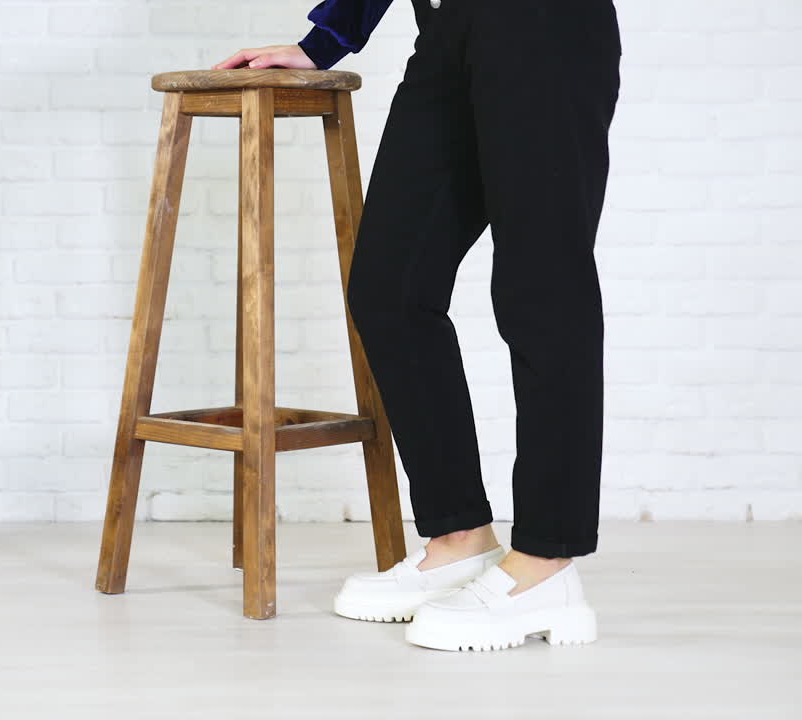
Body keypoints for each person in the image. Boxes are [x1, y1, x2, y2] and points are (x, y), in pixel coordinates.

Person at [213, 0, 621, 651]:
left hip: (544, 24)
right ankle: (461, 539)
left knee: (540, 290)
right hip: (450, 29)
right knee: (389, 286)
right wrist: (325, 40)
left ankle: (547, 562)